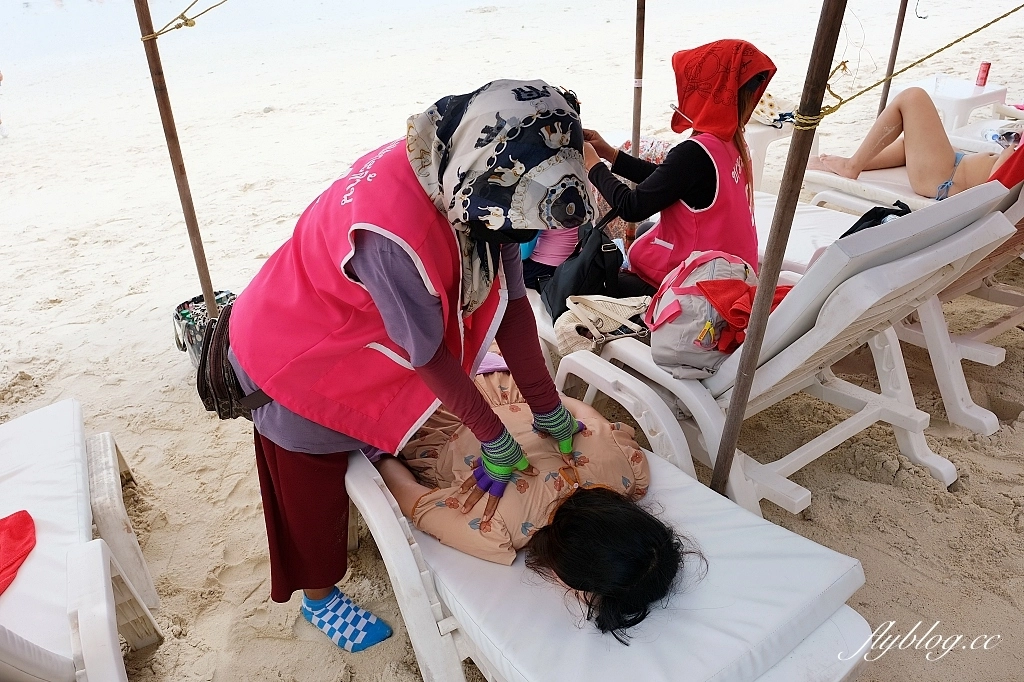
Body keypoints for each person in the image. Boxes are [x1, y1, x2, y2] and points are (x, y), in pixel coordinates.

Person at [227, 80, 595, 652]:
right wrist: (495, 439)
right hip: (294, 344)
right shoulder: (393, 232)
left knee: (382, 432)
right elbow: (426, 354)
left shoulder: (469, 168)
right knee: (308, 479)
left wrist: (548, 410)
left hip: (357, 327)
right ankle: (319, 595)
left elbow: (514, 306)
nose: (511, 245)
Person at [375, 360, 700, 643]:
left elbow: (574, 410)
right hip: (426, 413)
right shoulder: (495, 526)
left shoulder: (624, 468)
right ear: (573, 576)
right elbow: (406, 493)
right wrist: (378, 451)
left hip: (497, 377)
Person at [583, 39, 777, 290]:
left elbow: (631, 207)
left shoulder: (695, 152)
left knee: (591, 281)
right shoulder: (733, 140)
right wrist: (611, 154)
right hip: (734, 270)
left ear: (705, 90)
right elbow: (670, 182)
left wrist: (593, 165)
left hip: (700, 287)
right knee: (646, 230)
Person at [807, 86, 1020, 200]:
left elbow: (996, 185)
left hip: (947, 179)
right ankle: (850, 163)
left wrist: (1011, 151)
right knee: (908, 142)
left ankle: (851, 166)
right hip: (956, 165)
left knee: (912, 97)